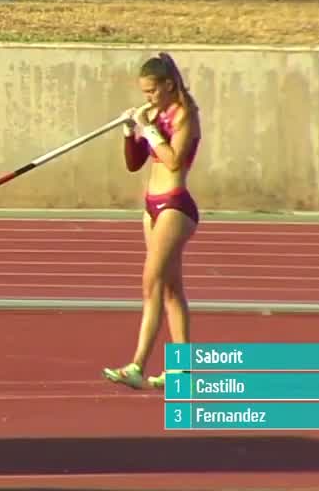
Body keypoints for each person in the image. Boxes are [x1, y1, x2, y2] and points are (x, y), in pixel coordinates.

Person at [103, 53, 202, 390]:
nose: (147, 98)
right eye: (144, 92)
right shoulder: (156, 114)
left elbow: (174, 162)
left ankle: (137, 364)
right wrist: (132, 132)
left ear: (168, 85)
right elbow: (134, 163)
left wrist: (151, 132)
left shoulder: (184, 116)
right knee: (172, 290)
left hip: (176, 205)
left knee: (151, 283)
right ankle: (183, 371)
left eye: (151, 91)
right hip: (151, 205)